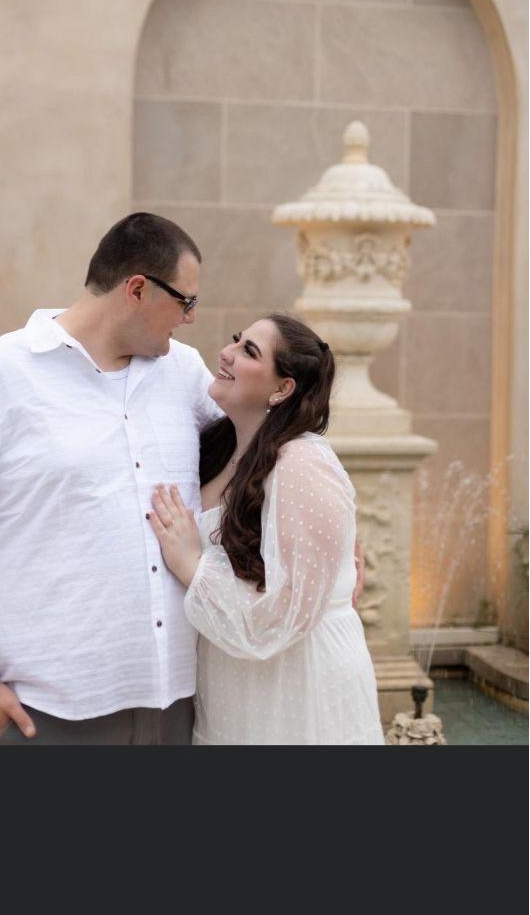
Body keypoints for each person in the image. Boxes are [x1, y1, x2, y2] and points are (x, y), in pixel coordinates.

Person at [0, 212, 217, 745]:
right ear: (137, 289)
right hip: (46, 715)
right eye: (186, 302)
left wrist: (332, 537)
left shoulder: (186, 372)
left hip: (177, 705)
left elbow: (260, 453)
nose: (191, 319)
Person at [147, 314, 385, 745]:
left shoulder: (301, 462)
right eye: (237, 340)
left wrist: (191, 565)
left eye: (249, 351)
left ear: (282, 388)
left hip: (296, 687)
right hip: (236, 684)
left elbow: (284, 616)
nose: (226, 352)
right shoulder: (220, 445)